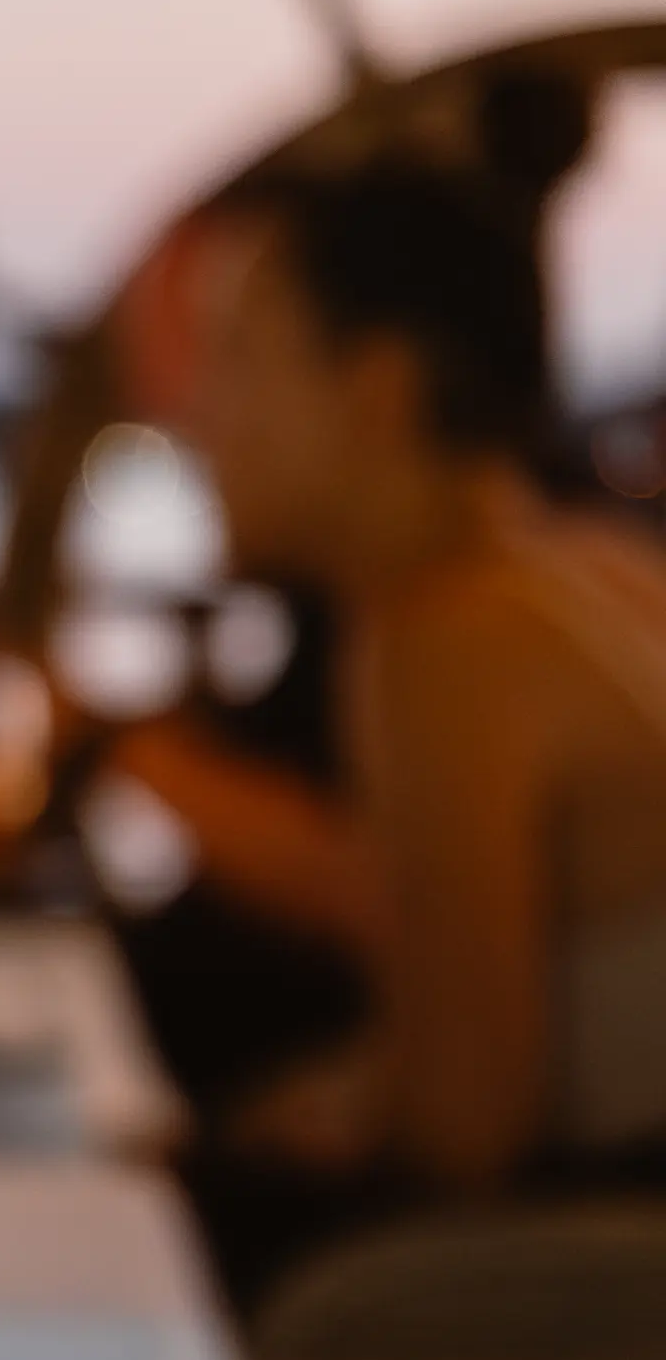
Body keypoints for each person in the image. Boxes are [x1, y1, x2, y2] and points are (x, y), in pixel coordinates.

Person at [171, 157, 666, 1226]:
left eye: (235, 358)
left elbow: (463, 1132)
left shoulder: (444, 636)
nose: (193, 417)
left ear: (378, 390)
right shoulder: (579, 570)